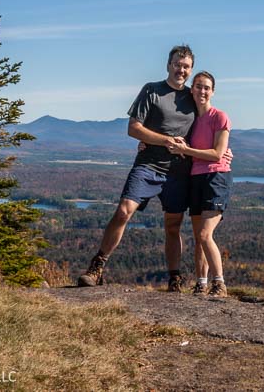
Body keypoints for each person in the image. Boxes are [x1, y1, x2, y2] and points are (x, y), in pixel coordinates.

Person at [78, 45, 197, 291]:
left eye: (186, 66)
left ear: (190, 70)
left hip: (178, 170)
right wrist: (163, 140)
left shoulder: (193, 97)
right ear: (168, 65)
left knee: (173, 225)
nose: (181, 70)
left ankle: (175, 278)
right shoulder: (152, 90)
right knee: (123, 211)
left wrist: (222, 148)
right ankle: (97, 266)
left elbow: (206, 128)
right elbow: (133, 128)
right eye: (177, 64)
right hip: (148, 164)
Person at [168, 71, 232, 297]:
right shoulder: (191, 120)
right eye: (198, 87)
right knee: (198, 238)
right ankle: (201, 283)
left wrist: (186, 150)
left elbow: (217, 154)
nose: (202, 91)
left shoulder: (219, 116)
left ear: (212, 91)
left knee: (205, 234)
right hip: (195, 178)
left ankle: (219, 283)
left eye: (206, 87)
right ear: (191, 89)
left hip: (216, 178)